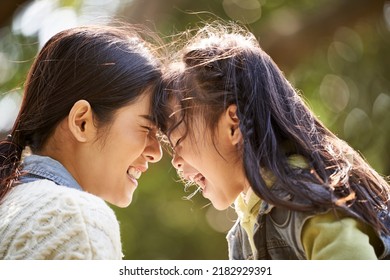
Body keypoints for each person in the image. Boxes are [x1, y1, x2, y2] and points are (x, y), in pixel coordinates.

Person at [156, 22, 390, 259]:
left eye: (179, 140)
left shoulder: (306, 201)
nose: (175, 161)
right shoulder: (248, 222)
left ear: (233, 125)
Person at [0, 25, 163, 259]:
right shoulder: (77, 220)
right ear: (82, 122)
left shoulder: (10, 201)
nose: (156, 152)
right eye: (146, 128)